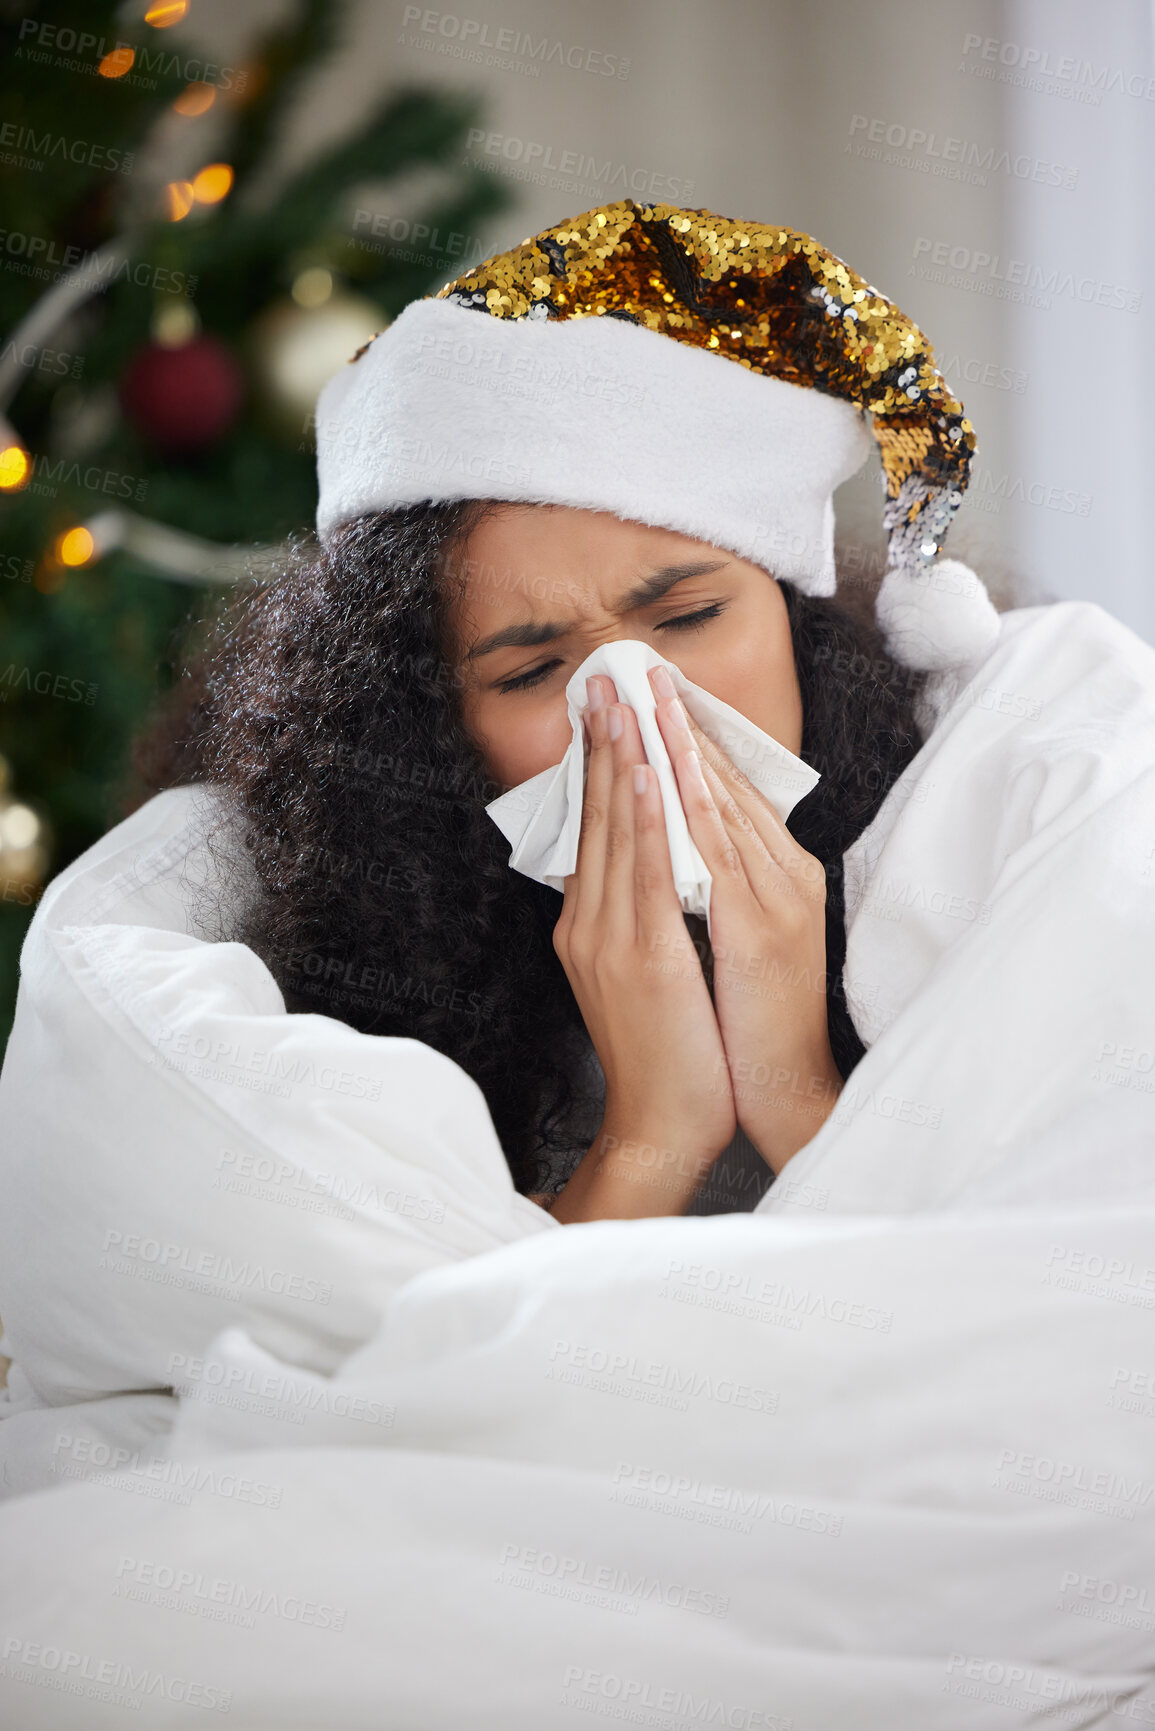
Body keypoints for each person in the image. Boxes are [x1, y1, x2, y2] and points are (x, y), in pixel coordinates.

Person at [16, 200, 1155, 1234]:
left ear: (806, 628)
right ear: (430, 734)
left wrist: (796, 1084)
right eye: (529, 674)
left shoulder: (999, 807)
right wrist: (650, 1139)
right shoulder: (321, 980)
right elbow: (441, 1390)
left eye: (691, 616)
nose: (637, 713)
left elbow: (1019, 1322)